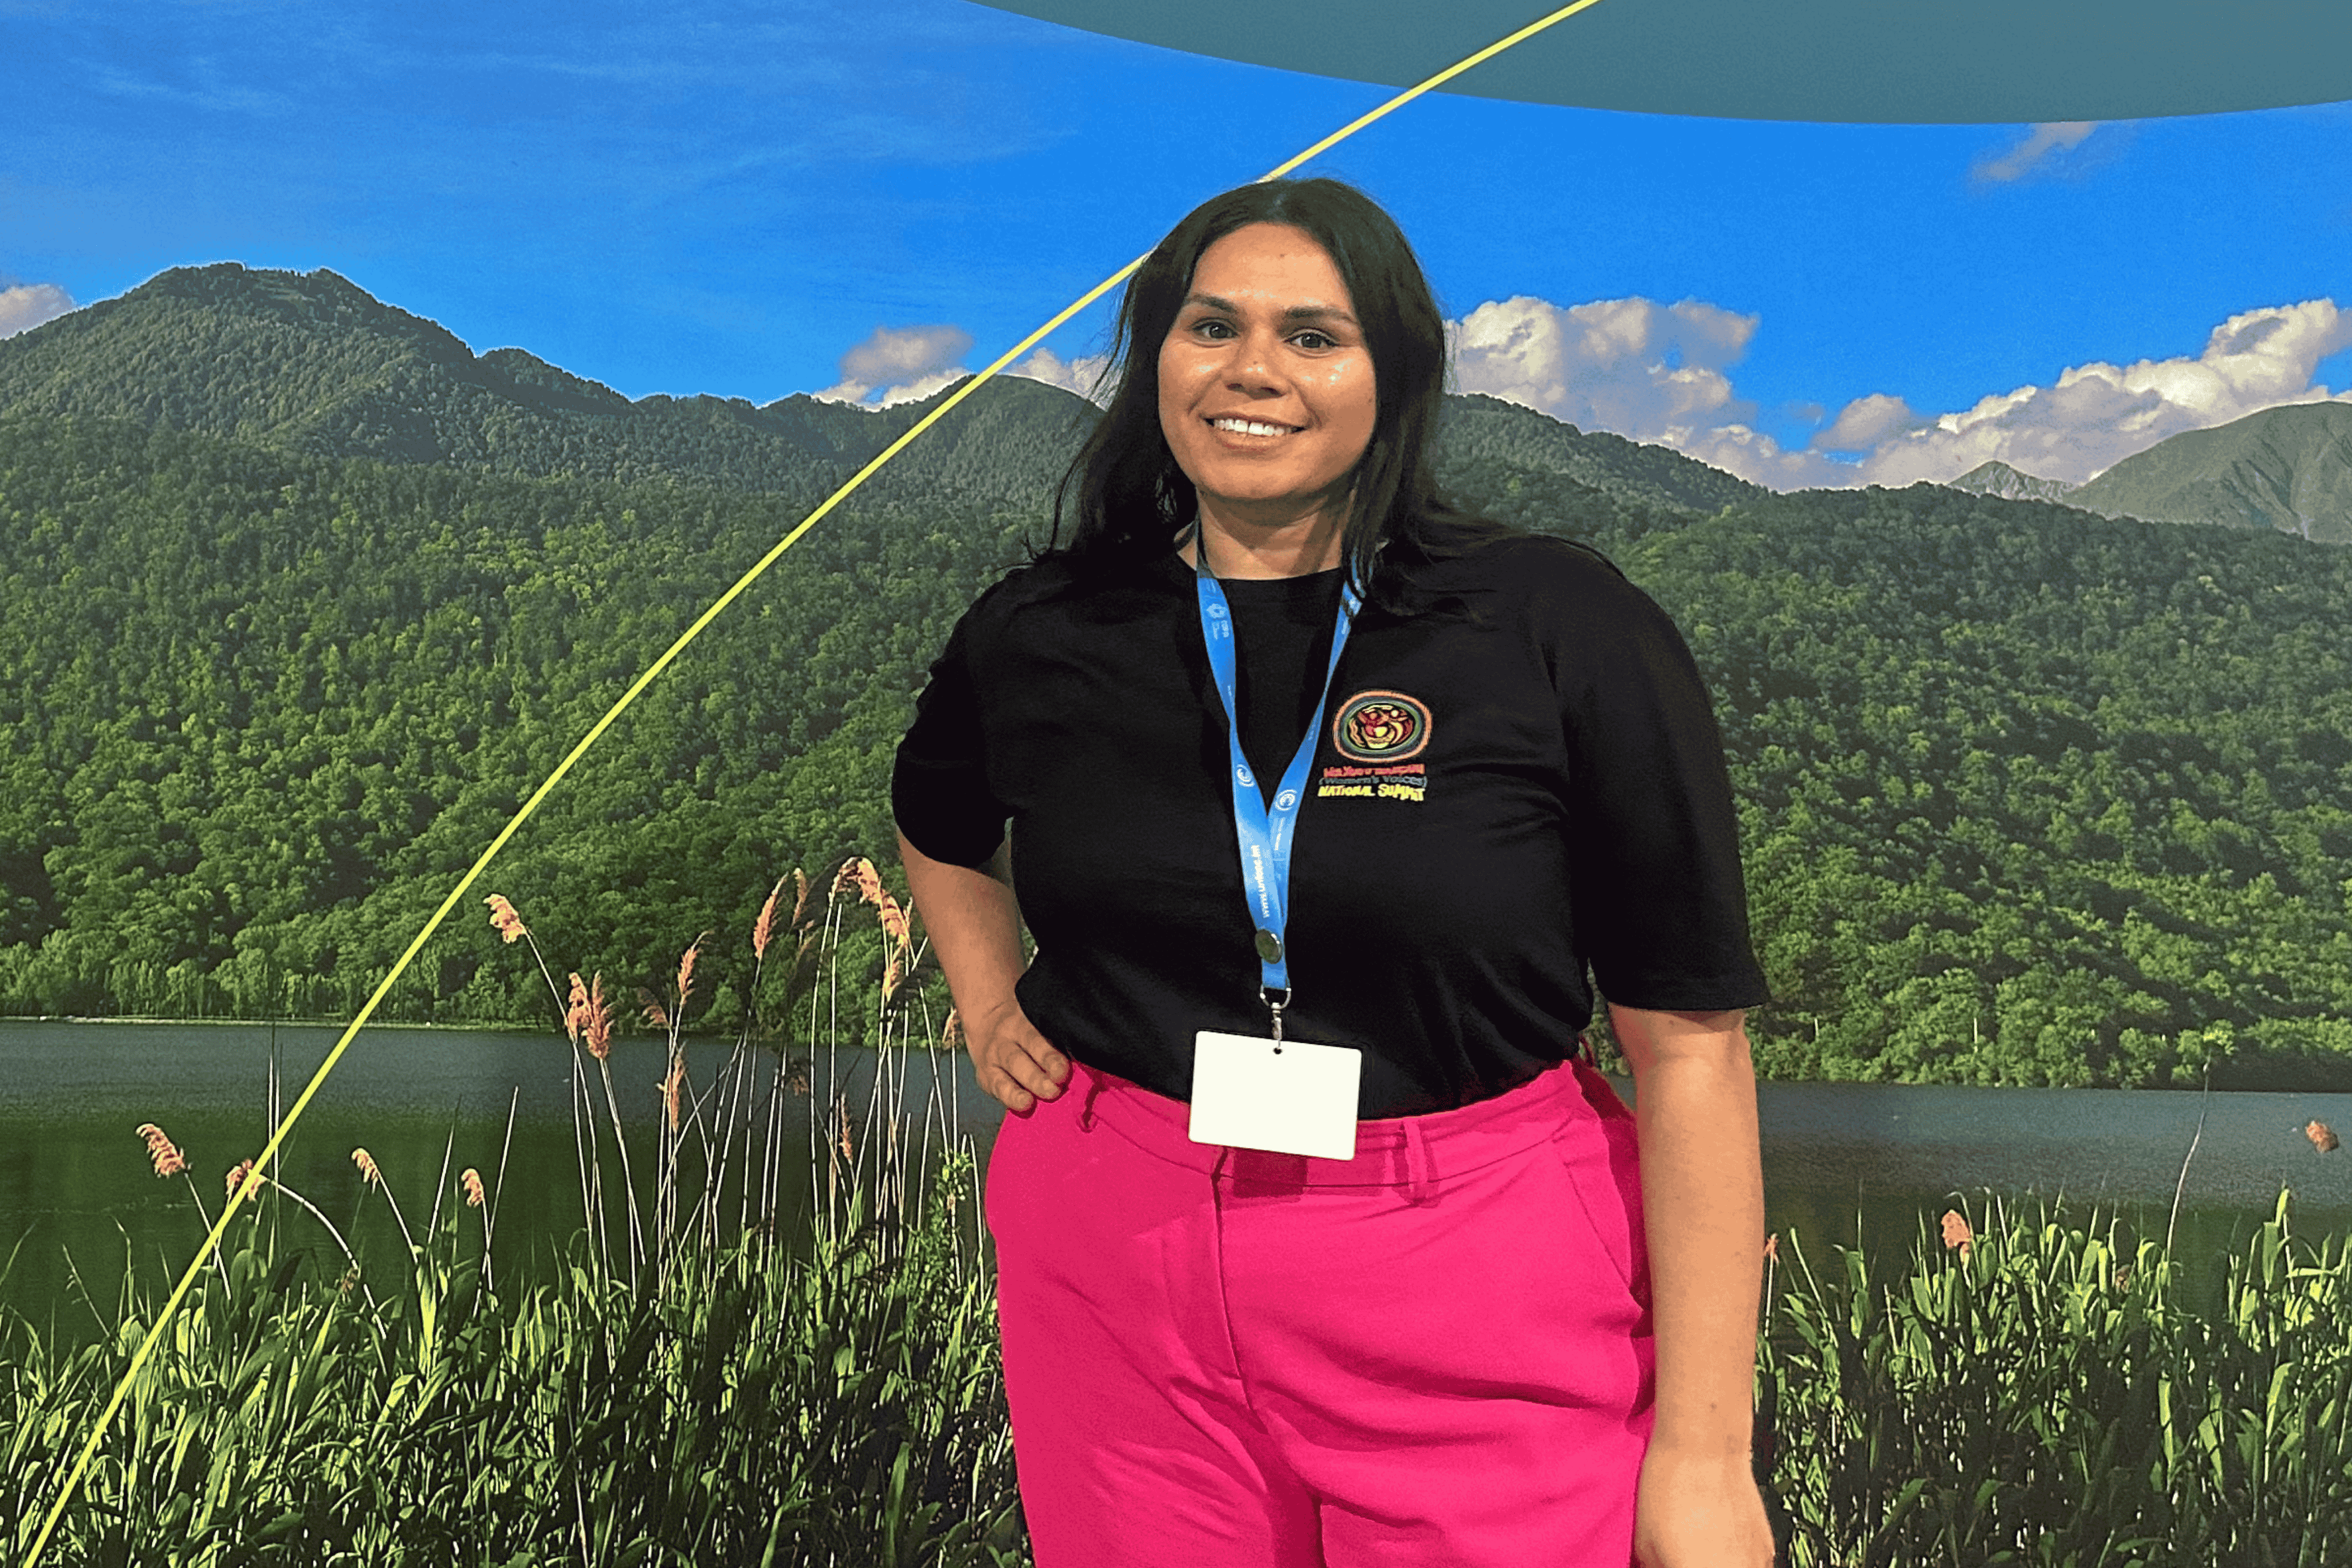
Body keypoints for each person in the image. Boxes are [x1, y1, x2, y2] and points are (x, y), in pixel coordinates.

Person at [893, 176, 1775, 1568]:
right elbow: (939, 824)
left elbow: (1690, 1051)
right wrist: (989, 998)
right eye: (1212, 327)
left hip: (1473, 1260)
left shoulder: (1552, 622)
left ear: (1397, 376)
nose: (1255, 370)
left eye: (1315, 335)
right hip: (1118, 1259)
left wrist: (1707, 1462)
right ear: (1153, 361)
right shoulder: (1047, 625)